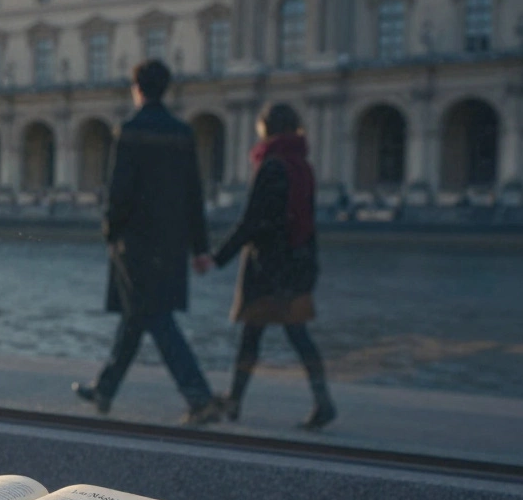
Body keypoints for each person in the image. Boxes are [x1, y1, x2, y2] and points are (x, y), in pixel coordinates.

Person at [73, 60, 221, 426]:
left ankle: (199, 397)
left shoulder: (130, 130)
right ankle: (105, 389)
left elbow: (120, 191)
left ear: (137, 88)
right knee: (136, 317)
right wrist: (200, 247)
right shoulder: (183, 133)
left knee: (153, 317)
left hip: (135, 244)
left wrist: (111, 231)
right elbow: (193, 195)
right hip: (171, 245)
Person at [212, 103, 336, 429]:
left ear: (267, 128)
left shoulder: (270, 165)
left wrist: (217, 256)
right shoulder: (303, 165)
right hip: (297, 263)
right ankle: (322, 400)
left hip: (268, 267)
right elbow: (306, 221)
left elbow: (252, 221)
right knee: (296, 335)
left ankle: (236, 402)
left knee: (252, 336)